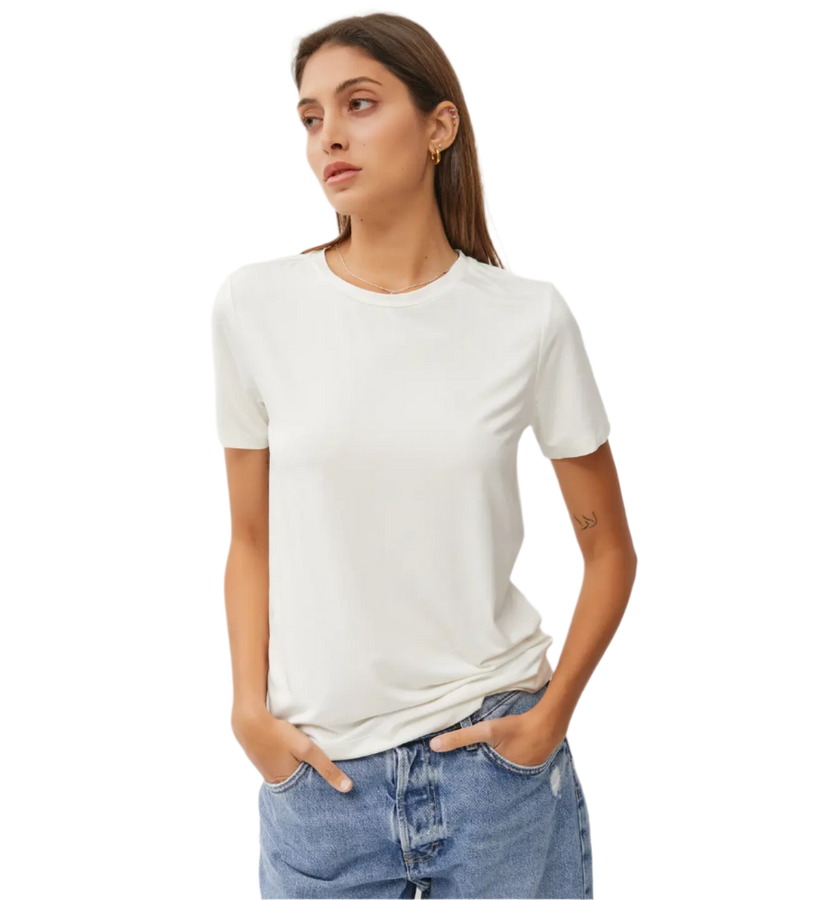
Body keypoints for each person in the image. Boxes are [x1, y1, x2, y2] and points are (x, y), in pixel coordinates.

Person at [206, 10, 639, 899]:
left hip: (496, 770)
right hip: (319, 780)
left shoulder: (530, 317)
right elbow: (248, 538)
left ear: (440, 125)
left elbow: (609, 552)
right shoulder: (253, 304)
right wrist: (247, 711)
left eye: (359, 104)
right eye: (310, 118)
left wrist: (549, 718)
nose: (328, 137)